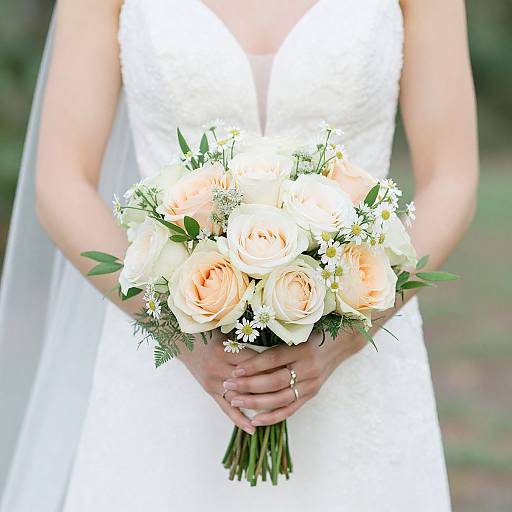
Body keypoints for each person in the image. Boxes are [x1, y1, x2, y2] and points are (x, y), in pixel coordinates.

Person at [0, 0, 478, 510]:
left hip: (363, 371)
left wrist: (347, 338)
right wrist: (176, 334)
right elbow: (60, 183)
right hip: (162, 378)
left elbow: (452, 179)